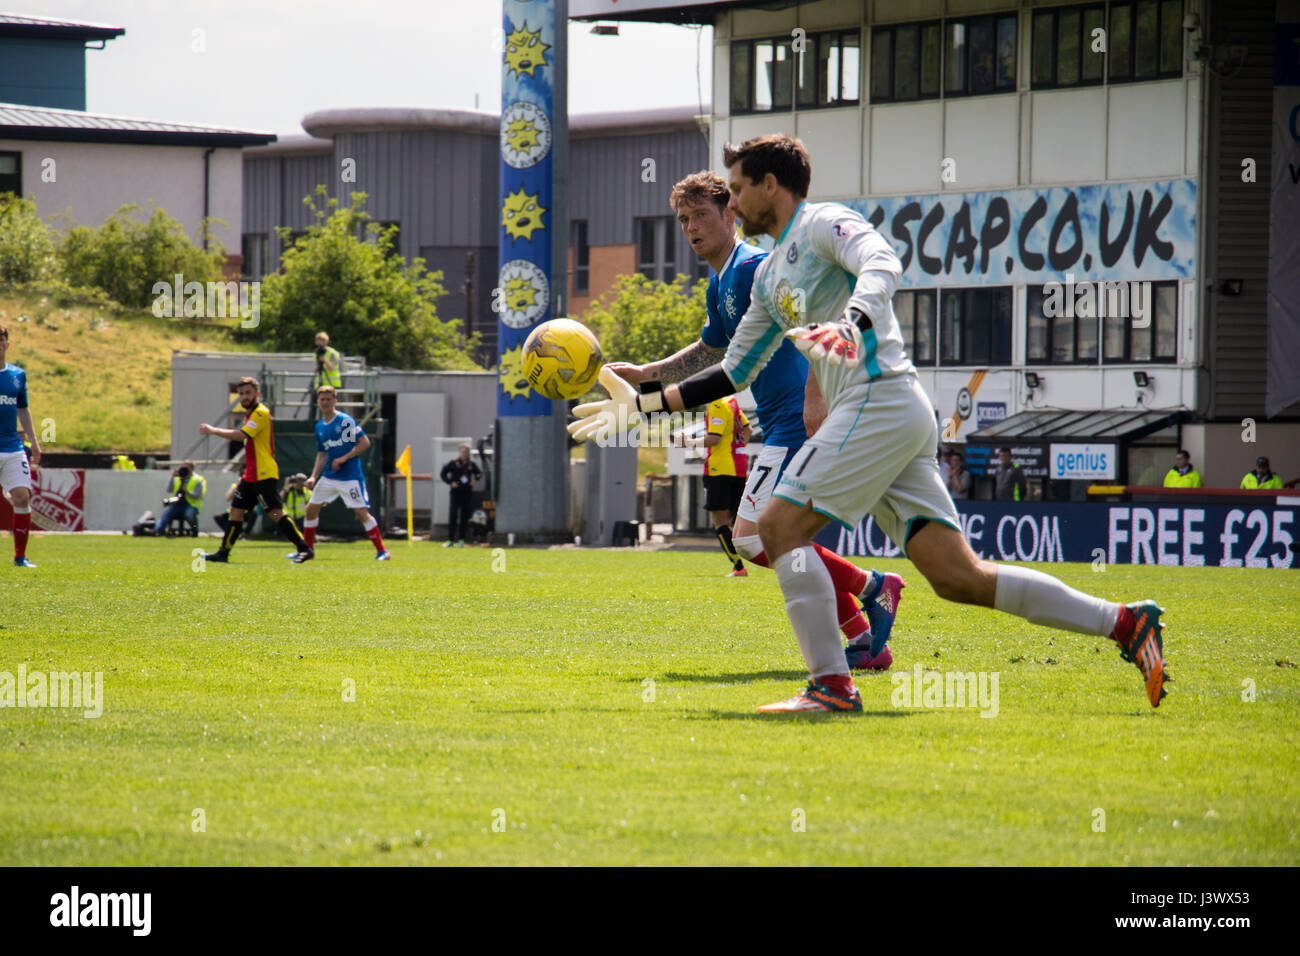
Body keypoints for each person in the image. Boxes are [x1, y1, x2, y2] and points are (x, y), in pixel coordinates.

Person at [570, 134, 1167, 712]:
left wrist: (853, 318)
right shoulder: (772, 275)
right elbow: (733, 371)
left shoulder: (822, 223)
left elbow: (881, 261)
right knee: (957, 577)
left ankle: (832, 684)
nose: (732, 201)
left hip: (875, 401)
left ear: (769, 186)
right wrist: (644, 404)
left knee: (776, 531)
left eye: (736, 188)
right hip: (887, 416)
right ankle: (1125, 622)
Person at [602, 170, 904, 671]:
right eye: (683, 219)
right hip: (777, 423)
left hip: (796, 417)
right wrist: (648, 373)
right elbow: (715, 350)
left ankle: (873, 586)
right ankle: (868, 641)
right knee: (782, 538)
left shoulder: (753, 267)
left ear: (730, 214)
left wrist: (814, 394)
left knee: (753, 537)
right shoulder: (721, 281)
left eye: (701, 214)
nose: (691, 227)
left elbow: (813, 323)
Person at [198, 376, 312, 563]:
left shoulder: (260, 413)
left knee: (275, 513)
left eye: (248, 393)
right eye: (241, 394)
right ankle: (223, 553)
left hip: (263, 473)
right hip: (251, 474)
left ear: (257, 394)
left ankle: (304, 548)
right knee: (236, 511)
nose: (244, 397)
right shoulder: (250, 415)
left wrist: (213, 430)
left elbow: (240, 435)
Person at [298, 386, 389, 562]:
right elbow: (322, 454)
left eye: (328, 399)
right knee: (311, 509)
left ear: (335, 401)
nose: (325, 402)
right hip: (329, 476)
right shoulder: (319, 427)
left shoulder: (344, 421)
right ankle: (308, 550)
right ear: (318, 402)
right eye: (322, 399)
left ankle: (382, 551)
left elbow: (364, 443)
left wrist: (343, 458)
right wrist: (313, 476)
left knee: (361, 513)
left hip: (350, 477)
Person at [676, 395, 751, 576]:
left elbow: (715, 438)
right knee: (735, 520)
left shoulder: (718, 405)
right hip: (739, 467)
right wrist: (737, 448)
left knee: (720, 522)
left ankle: (738, 566)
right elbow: (748, 430)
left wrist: (690, 442)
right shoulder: (733, 403)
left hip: (720, 469)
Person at [0, 324, 40, 567]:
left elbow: (23, 409)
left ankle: (20, 557)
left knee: (22, 498)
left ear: (7, 344)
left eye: (1, 338)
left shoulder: (17, 375)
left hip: (13, 447)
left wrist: (34, 442)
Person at [440, 443, 481, 547]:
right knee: (453, 516)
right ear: (459, 452)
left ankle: (461, 540)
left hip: (466, 493)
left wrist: (474, 479)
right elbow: (443, 474)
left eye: (466, 452)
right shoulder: (453, 463)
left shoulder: (471, 464)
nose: (464, 454)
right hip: (455, 493)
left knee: (464, 517)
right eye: (463, 452)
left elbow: (479, 473)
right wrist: (450, 482)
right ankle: (450, 540)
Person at [152, 460, 205, 536]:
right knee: (167, 514)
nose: (185, 469)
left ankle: (194, 530)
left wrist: (187, 491)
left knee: (189, 515)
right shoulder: (178, 478)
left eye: (188, 467)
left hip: (191, 504)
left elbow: (198, 495)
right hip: (177, 503)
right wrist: (172, 477)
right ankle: (158, 530)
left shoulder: (197, 479)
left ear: (192, 468)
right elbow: (169, 489)